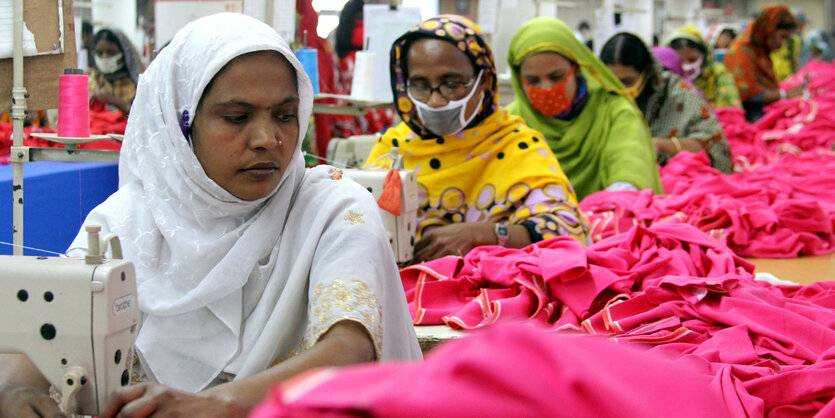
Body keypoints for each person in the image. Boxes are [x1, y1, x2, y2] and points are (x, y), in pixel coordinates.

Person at [0, 12, 420, 417]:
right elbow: (51, 327)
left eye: (285, 115)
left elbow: (350, 349)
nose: (267, 139)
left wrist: (219, 406)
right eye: (237, 117)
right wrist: (15, 391)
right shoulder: (125, 221)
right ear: (181, 126)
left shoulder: (333, 207)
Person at [365, 15, 589, 264]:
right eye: (420, 85)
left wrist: (488, 233)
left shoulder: (516, 145)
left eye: (451, 85)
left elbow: (568, 231)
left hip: (494, 294)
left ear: (482, 80)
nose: (435, 101)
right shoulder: (392, 149)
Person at [506, 17, 662, 200]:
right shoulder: (512, 123)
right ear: (519, 80)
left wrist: (613, 203)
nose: (546, 88)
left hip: (608, 223)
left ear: (577, 68)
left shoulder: (615, 111)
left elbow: (629, 162)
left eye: (556, 77)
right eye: (533, 81)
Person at [601, 33, 733, 174]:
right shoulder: (599, 97)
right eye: (612, 81)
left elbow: (715, 146)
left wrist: (660, 145)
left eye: (627, 81)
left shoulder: (677, 94)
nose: (620, 89)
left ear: (647, 72)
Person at [724, 6, 803, 122]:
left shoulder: (760, 50)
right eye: (782, 37)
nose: (782, 44)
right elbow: (748, 93)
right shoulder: (742, 50)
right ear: (769, 30)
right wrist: (784, 94)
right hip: (747, 117)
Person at [668, 25, 743, 109]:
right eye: (680, 61)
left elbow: (731, 109)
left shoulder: (718, 75)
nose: (686, 66)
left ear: (704, 56)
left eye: (692, 60)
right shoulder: (667, 81)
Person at [89, 27, 143, 116]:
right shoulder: (93, 81)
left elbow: (142, 118)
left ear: (125, 53)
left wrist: (114, 101)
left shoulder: (138, 84)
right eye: (100, 53)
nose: (104, 58)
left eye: (111, 52)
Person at [770, 9, 806, 81]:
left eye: (801, 27)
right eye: (796, 27)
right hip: (774, 79)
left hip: (787, 80)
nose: (799, 30)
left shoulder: (796, 41)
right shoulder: (770, 40)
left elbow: (795, 62)